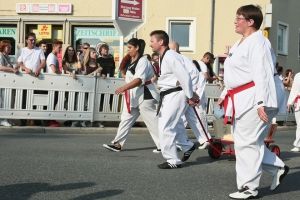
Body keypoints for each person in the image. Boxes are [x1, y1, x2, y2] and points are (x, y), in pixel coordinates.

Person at [218, 5, 289, 199]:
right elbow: (237, 73)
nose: (235, 21)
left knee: (247, 142)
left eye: (238, 18)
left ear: (250, 22)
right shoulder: (240, 42)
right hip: (243, 95)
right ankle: (277, 168)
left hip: (257, 95)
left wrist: (261, 103)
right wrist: (225, 93)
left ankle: (249, 187)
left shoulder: (259, 41)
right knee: (244, 141)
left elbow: (262, 73)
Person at [149, 30, 198, 169]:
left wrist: (190, 95)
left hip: (175, 95)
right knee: (174, 124)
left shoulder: (170, 56)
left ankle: (173, 159)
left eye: (152, 41)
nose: (150, 44)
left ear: (160, 42)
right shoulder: (165, 56)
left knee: (166, 127)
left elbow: (185, 76)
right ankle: (187, 146)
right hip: (169, 94)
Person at [103, 38, 160, 152]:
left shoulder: (143, 60)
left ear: (137, 47)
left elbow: (139, 80)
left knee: (152, 122)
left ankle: (166, 145)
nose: (128, 50)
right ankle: (117, 143)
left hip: (145, 95)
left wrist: (124, 87)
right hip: (134, 96)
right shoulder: (133, 61)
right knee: (126, 119)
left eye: (130, 48)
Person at [168, 41, 212, 151]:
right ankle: (182, 142)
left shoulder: (183, 60)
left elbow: (195, 78)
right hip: (183, 93)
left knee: (194, 117)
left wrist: (191, 96)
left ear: (173, 49)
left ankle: (204, 139)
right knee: (183, 118)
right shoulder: (173, 59)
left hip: (190, 93)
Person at [18, 32, 45, 126]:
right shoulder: (22, 50)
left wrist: (38, 69)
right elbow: (19, 63)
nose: (33, 41)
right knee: (24, 99)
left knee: (36, 98)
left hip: (36, 77)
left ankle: (37, 120)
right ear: (26, 40)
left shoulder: (39, 50)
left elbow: (43, 62)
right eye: (31, 40)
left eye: (34, 40)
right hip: (25, 77)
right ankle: (23, 120)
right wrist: (25, 68)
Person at [81, 47, 104, 128]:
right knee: (86, 103)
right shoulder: (85, 64)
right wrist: (95, 72)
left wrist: (102, 74)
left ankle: (98, 120)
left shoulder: (98, 64)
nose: (95, 54)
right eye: (93, 53)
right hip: (87, 86)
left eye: (95, 53)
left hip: (96, 86)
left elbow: (100, 73)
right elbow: (84, 76)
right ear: (89, 54)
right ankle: (84, 120)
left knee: (97, 103)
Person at [0, 40, 19, 126]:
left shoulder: (8, 57)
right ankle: (3, 119)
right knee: (5, 100)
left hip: (9, 83)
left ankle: (7, 118)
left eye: (11, 47)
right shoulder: (1, 55)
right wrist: (11, 69)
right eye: (8, 47)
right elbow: (0, 66)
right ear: (3, 47)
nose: (10, 48)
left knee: (9, 100)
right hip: (3, 82)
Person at [45, 39, 63, 127]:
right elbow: (54, 69)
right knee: (52, 101)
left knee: (54, 100)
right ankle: (49, 120)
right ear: (54, 46)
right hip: (51, 82)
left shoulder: (54, 56)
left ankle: (51, 118)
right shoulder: (51, 56)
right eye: (59, 47)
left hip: (54, 82)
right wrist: (61, 72)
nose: (60, 49)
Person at [62, 46, 82, 127]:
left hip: (76, 82)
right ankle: (69, 117)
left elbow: (80, 67)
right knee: (69, 100)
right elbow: (65, 70)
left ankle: (75, 118)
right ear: (67, 51)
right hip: (68, 83)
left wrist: (77, 57)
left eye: (72, 50)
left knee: (76, 100)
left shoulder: (76, 61)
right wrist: (71, 73)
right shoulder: (64, 60)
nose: (71, 52)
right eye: (69, 50)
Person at [287, 72, 300, 152]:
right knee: (299, 124)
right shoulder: (298, 75)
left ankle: (298, 144)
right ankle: (298, 144)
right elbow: (294, 90)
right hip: (298, 102)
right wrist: (289, 102)